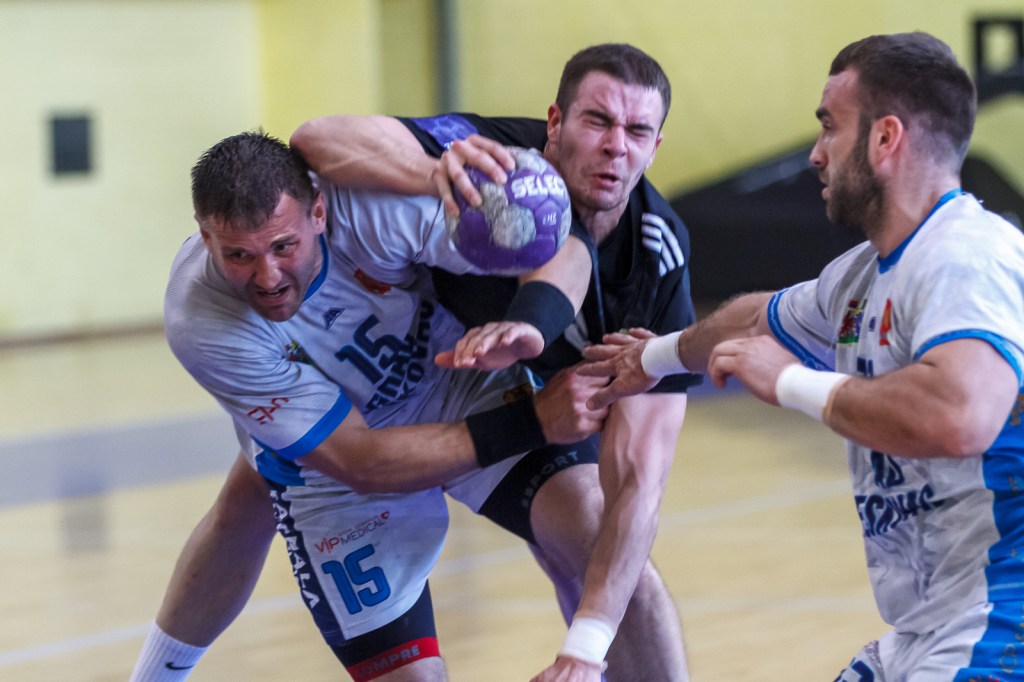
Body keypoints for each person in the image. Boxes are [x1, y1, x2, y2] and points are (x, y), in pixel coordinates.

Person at [131, 43, 698, 682]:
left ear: (319, 210)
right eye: (239, 256)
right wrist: (537, 420)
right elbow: (361, 462)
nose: (267, 276)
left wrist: (530, 325)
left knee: (614, 559)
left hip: (458, 378)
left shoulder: (377, 209)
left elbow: (563, 248)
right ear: (204, 234)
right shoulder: (199, 318)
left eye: (284, 246)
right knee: (256, 495)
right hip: (340, 463)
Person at [579, 32, 1024, 680]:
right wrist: (655, 357)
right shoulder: (862, 276)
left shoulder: (966, 256)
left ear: (885, 138)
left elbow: (960, 416)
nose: (815, 153)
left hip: (1003, 623)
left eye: (829, 127)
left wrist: (791, 382)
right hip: (929, 629)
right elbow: (753, 317)